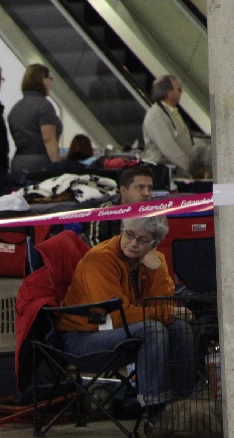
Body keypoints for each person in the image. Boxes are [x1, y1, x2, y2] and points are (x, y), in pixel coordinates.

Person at [59, 215, 194, 407]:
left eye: (143, 240)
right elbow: (116, 317)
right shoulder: (100, 258)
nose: (133, 243)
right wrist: (168, 313)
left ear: (154, 244)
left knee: (179, 328)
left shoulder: (155, 260)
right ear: (122, 229)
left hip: (124, 335)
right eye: (129, 234)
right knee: (152, 329)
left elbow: (161, 302)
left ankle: (183, 407)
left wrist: (155, 270)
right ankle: (154, 409)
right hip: (82, 338)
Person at [7, 64, 62, 174]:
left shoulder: (16, 108)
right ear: (42, 80)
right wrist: (57, 166)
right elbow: (49, 139)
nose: (51, 82)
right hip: (39, 164)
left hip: (18, 162)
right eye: (49, 78)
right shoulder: (44, 105)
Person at [86, 166, 153, 246]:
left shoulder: (156, 213)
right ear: (123, 191)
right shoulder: (105, 212)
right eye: (140, 187)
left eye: (149, 188)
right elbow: (94, 248)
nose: (147, 193)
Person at [142, 75, 194, 179]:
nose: (181, 93)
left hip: (181, 172)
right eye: (179, 90)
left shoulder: (173, 112)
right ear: (169, 92)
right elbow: (169, 148)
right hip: (166, 175)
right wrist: (191, 168)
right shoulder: (156, 115)